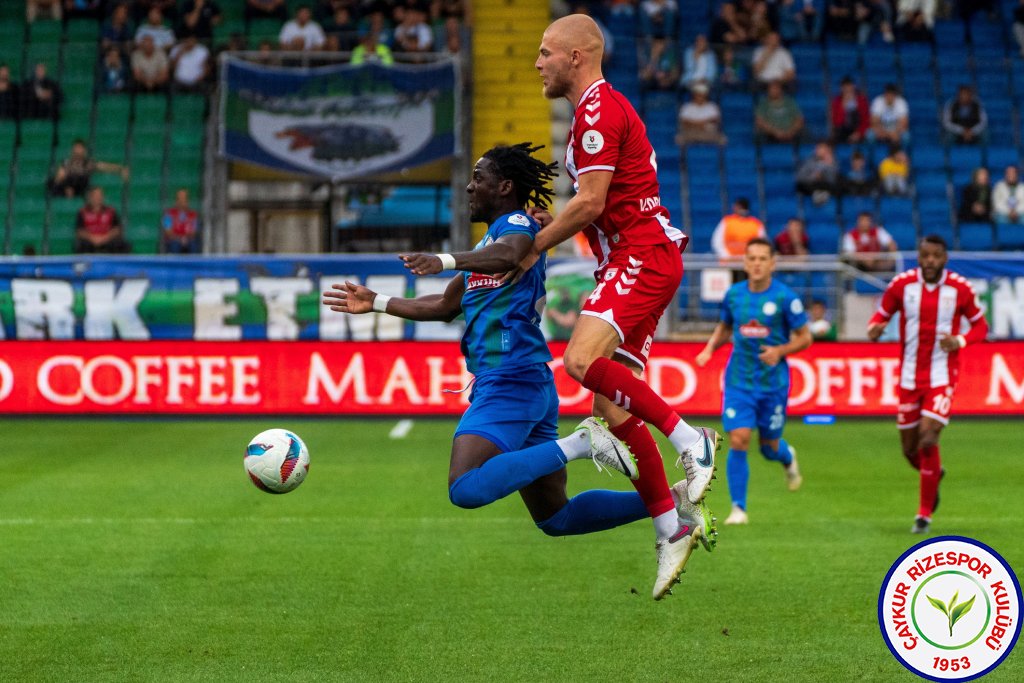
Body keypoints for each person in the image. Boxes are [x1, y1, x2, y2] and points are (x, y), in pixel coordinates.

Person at [323, 144, 711, 577]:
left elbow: (512, 253)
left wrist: (444, 259)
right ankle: (668, 502)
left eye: (479, 177)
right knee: (556, 518)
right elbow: (446, 306)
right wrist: (377, 302)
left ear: (504, 186)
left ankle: (583, 443)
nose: (470, 186)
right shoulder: (488, 244)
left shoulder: (517, 226)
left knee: (465, 487)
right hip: (523, 384)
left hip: (511, 379)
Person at [528, 14, 720, 600]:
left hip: (640, 254)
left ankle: (691, 440)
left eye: (545, 53)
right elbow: (589, 203)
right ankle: (671, 525)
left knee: (580, 360)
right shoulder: (595, 113)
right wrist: (545, 222)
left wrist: (530, 249)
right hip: (635, 257)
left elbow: (589, 204)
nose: (537, 62)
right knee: (610, 409)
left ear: (576, 57)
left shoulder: (595, 110)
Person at [867, 235, 989, 534]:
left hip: (942, 375)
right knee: (909, 449)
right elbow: (879, 317)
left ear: (945, 258)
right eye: (925, 255)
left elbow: (981, 326)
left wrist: (958, 341)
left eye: (936, 255)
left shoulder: (960, 288)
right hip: (909, 376)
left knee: (928, 437)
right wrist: (874, 329)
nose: (930, 261)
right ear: (918, 257)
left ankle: (923, 515)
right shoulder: (901, 285)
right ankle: (935, 474)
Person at [696, 238, 812, 525]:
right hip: (739, 381)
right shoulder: (734, 295)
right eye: (752, 258)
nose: (757, 263)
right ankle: (739, 509)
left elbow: (805, 337)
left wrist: (780, 351)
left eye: (763, 258)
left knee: (769, 447)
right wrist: (710, 348)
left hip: (773, 384)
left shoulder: (786, 298)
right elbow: (725, 326)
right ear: (745, 263)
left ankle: (787, 457)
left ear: (773, 263)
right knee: (739, 438)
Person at [48, 139, 129, 198]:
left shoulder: (88, 164)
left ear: (84, 151)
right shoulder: (66, 163)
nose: (78, 152)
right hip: (65, 189)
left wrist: (120, 168)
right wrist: (65, 186)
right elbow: (58, 179)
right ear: (72, 151)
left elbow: (104, 166)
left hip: (81, 190)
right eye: (76, 150)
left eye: (80, 149)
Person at [74, 187, 131, 254]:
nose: (98, 198)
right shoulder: (82, 212)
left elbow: (117, 229)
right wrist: (93, 238)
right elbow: (79, 231)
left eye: (100, 195)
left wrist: (105, 238)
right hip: (90, 241)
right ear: (90, 197)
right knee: (80, 245)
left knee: (122, 245)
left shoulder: (111, 211)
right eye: (96, 195)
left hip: (107, 240)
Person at [676, 82, 726, 146]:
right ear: (694, 95)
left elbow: (715, 121)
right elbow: (684, 122)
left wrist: (694, 123)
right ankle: (682, 155)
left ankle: (719, 155)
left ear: (706, 95)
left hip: (708, 133)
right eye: (698, 94)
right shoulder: (687, 107)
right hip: (690, 133)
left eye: (702, 94)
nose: (700, 96)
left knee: (723, 139)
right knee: (679, 138)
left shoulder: (712, 106)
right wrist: (703, 123)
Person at [830, 76, 869, 145]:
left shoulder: (861, 101)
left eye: (849, 87)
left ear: (854, 87)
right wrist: (843, 105)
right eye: (845, 88)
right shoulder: (837, 102)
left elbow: (866, 120)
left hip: (858, 131)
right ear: (841, 89)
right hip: (842, 132)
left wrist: (859, 133)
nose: (847, 90)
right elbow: (836, 122)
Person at [868, 83, 910, 147]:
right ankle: (871, 155)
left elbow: (904, 123)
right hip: (881, 130)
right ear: (885, 94)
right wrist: (884, 132)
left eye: (891, 95)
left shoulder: (901, 102)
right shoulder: (878, 101)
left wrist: (895, 132)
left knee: (906, 136)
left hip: (896, 130)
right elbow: (874, 122)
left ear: (895, 95)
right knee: (870, 135)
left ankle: (902, 154)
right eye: (887, 95)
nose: (889, 97)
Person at [161, 188, 201, 253]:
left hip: (188, 240)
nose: (182, 201)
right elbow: (168, 231)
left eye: (184, 199)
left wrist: (185, 238)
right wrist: (180, 239)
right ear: (176, 200)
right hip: (174, 240)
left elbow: (194, 232)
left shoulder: (193, 215)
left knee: (193, 244)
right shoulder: (168, 214)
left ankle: (193, 263)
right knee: (175, 245)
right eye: (180, 199)